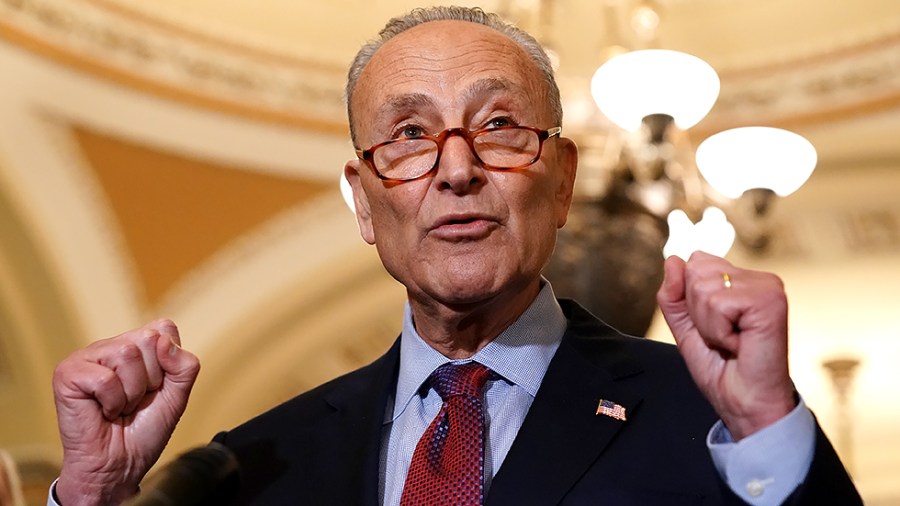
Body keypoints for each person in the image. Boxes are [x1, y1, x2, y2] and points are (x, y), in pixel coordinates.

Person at [49, 6, 862, 506]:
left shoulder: (712, 419)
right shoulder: (252, 464)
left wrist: (767, 434)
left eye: (500, 126)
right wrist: (90, 499)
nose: (459, 166)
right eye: (408, 136)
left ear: (564, 180)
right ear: (364, 200)